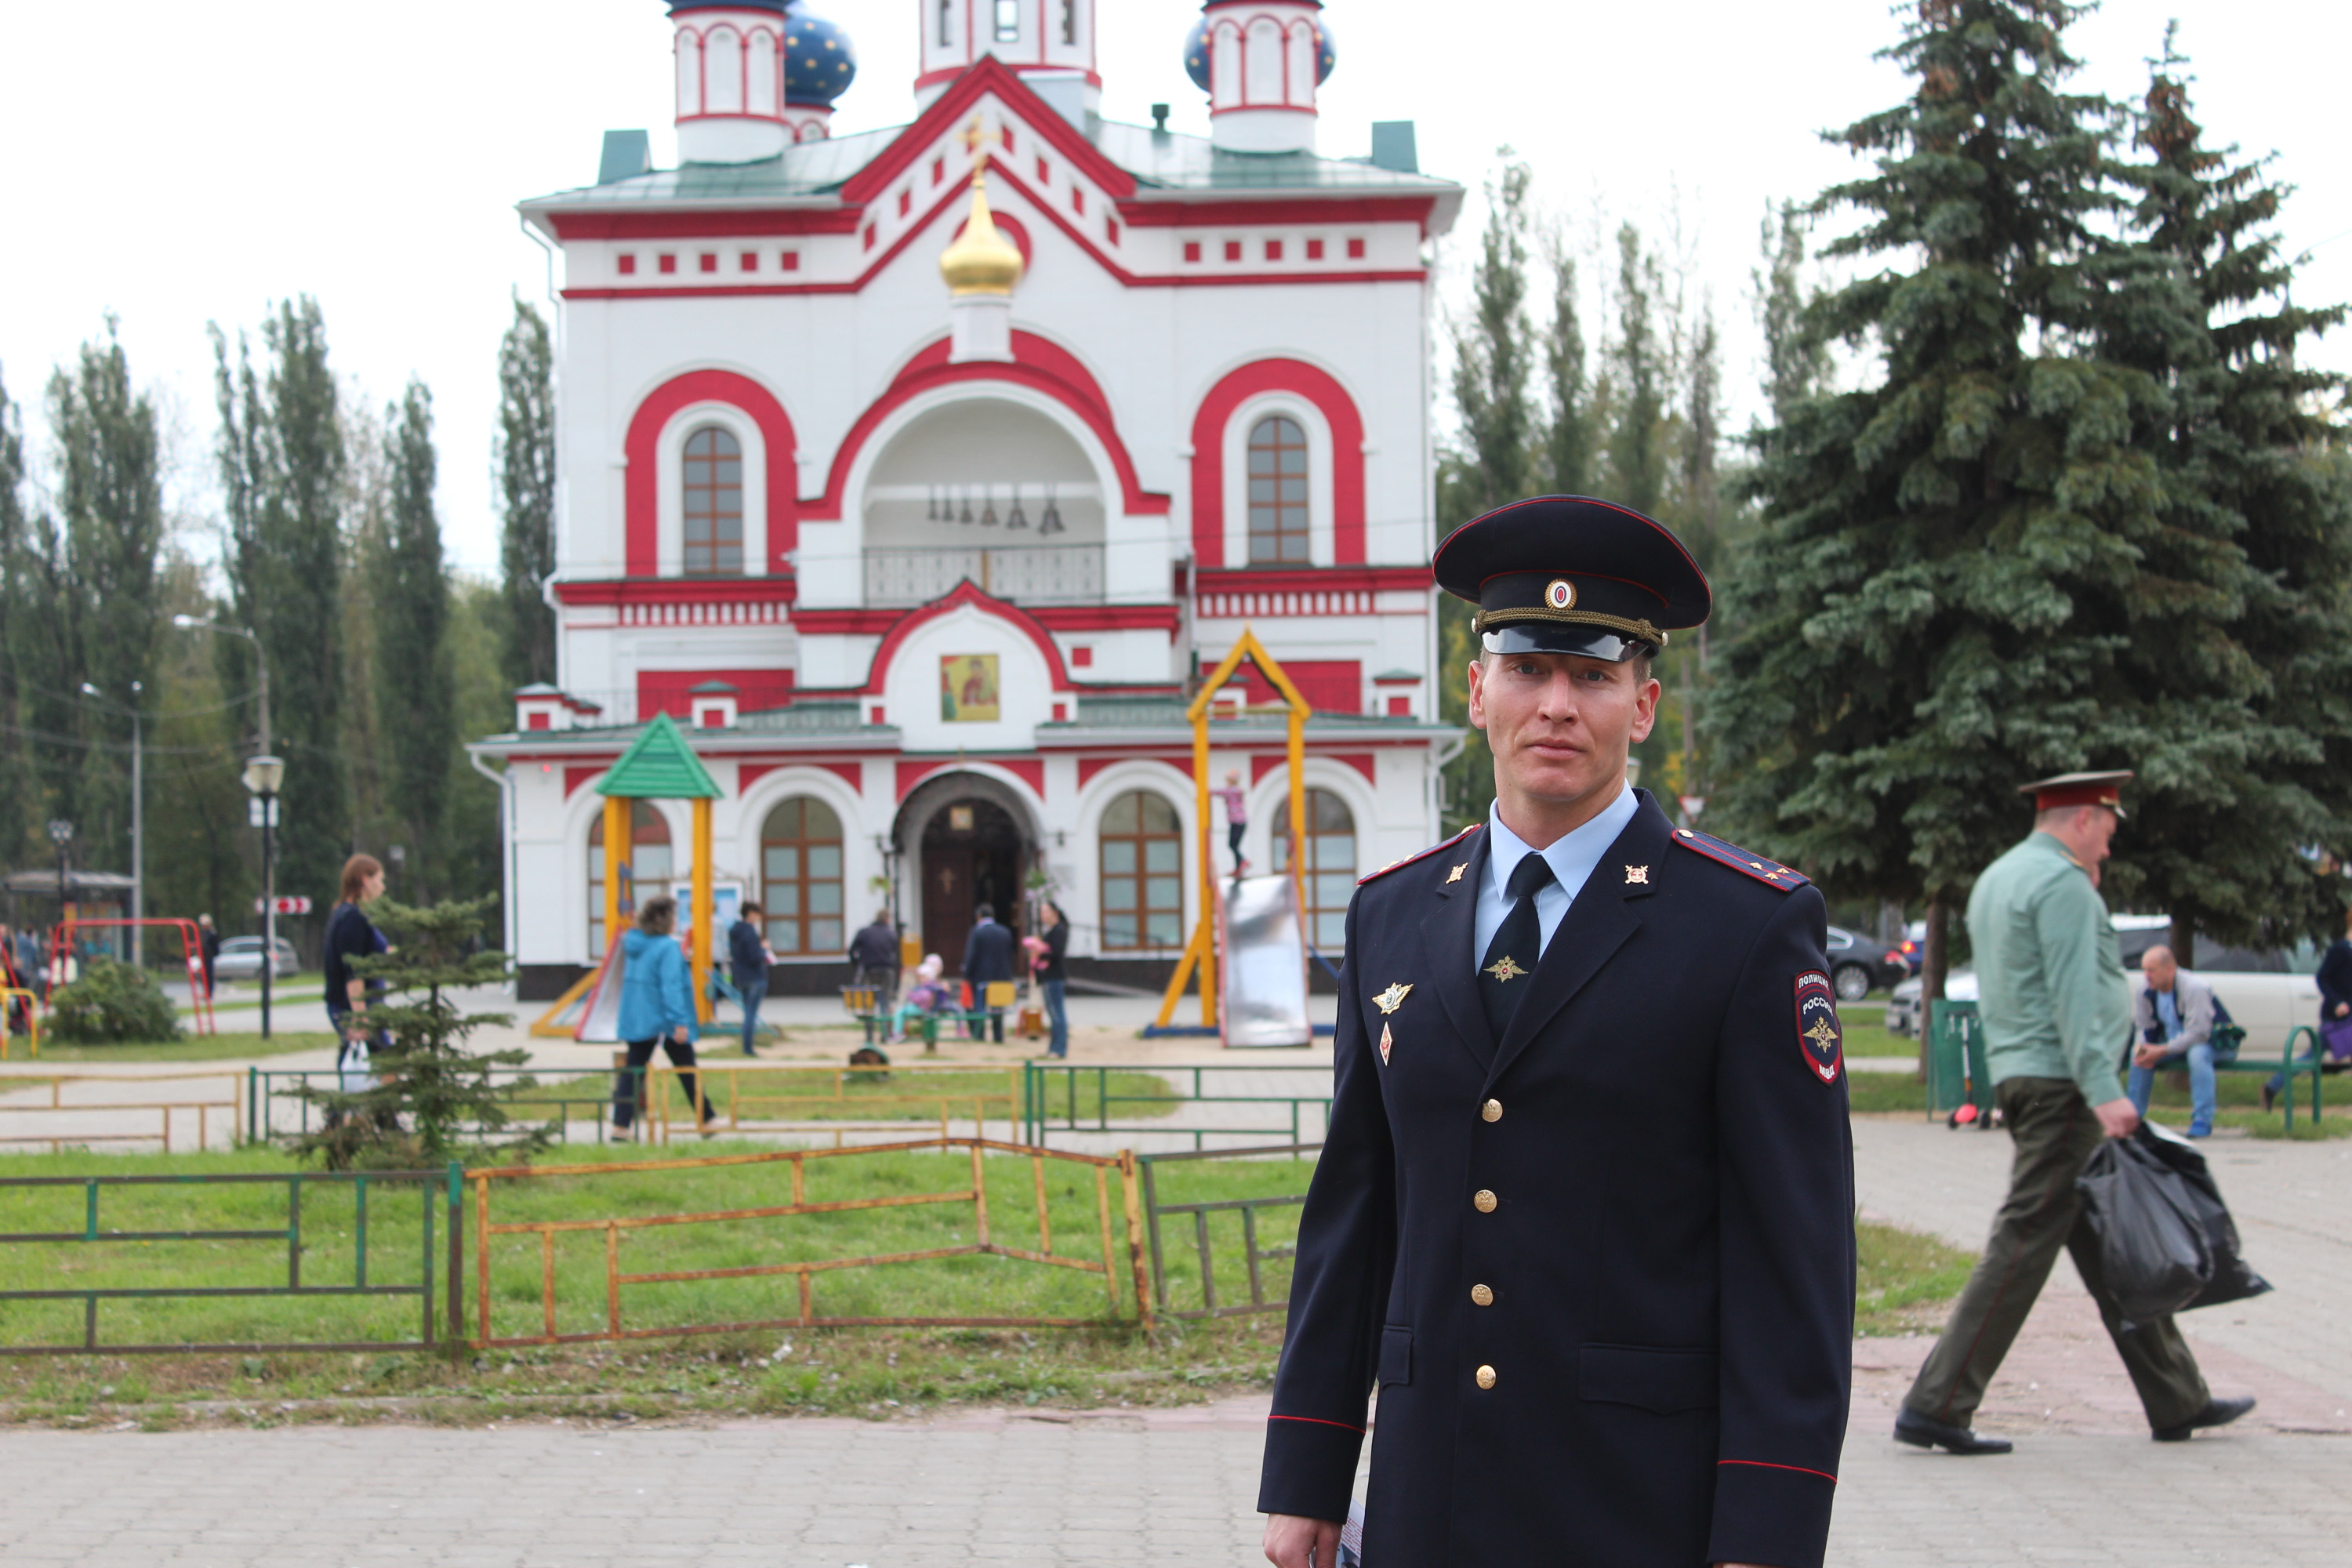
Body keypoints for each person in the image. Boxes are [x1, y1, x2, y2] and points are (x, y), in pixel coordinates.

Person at [1260, 496, 1853, 1568]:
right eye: (1528, 668)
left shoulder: (1746, 927)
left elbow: (1793, 1262)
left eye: (1593, 675)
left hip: (1637, 1503)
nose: (1557, 706)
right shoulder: (1390, 915)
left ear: (1644, 704)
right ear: (1476, 688)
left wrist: (1767, 1531)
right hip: (1428, 1497)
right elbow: (1355, 1216)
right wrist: (1307, 1469)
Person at [1896, 772, 2253, 1456]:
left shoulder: (2001, 876)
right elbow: (2073, 995)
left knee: (2110, 1241)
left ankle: (2177, 1397)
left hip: (2026, 1076)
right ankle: (1937, 1404)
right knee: (2024, 1240)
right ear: (2084, 819)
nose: (2109, 850)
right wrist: (2103, 1087)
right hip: (2063, 1087)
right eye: (2108, 832)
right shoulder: (2061, 884)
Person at [611, 895, 719, 1141]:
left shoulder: (633, 943)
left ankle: (620, 1126)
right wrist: (679, 1021)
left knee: (633, 1070)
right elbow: (671, 986)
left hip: (638, 1016)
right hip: (666, 1019)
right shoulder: (668, 947)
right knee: (686, 1068)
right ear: (666, 920)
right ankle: (707, 1120)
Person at [2129, 945, 2224, 1137]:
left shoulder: (2195, 987)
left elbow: (2199, 1033)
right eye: (2144, 970)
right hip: (2174, 1044)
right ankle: (2132, 1120)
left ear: (2170, 969)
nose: (2147, 976)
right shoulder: (2146, 991)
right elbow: (2143, 1027)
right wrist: (2142, 1049)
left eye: (2152, 970)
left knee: (2197, 1055)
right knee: (2139, 1056)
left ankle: (2202, 1120)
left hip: (2213, 1043)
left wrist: (2161, 1050)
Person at [323, 855, 393, 1105]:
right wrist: (360, 1016)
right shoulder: (353, 918)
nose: (382, 887)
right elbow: (353, 972)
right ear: (365, 880)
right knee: (382, 1066)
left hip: (361, 1004)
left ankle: (372, 1119)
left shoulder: (347, 914)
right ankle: (373, 1120)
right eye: (379, 880)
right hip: (355, 1005)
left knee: (369, 1069)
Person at [2268, 907, 2352, 1109]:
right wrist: (2337, 1002)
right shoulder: (2341, 949)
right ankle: (2272, 1087)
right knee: (2311, 1055)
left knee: (2312, 1054)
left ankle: (2272, 1087)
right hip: (2336, 1018)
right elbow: (2322, 977)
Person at [960, 902, 1015, 1044]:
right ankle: (998, 1036)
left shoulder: (977, 932)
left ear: (978, 917)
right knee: (998, 1007)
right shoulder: (1005, 932)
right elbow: (1009, 955)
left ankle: (979, 1035)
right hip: (1002, 976)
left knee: (978, 1007)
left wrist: (966, 975)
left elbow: (971, 956)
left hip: (981, 977)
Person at [728, 902, 770, 1058]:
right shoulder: (750, 932)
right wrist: (764, 949)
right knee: (751, 1014)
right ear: (751, 914)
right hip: (755, 977)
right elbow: (754, 957)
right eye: (758, 915)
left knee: (747, 1012)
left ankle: (746, 1046)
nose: (759, 918)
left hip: (741, 976)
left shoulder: (734, 931)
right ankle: (748, 1048)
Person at [888, 955, 951, 1044]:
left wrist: (911, 995)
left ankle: (897, 1033)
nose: (920, 979)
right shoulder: (932, 984)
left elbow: (924, 998)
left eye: (922, 977)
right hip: (926, 1008)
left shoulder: (928, 986)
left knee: (900, 1012)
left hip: (923, 1009)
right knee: (901, 1011)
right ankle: (898, 1033)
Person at [1035, 900, 1070, 1059]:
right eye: (1041, 912)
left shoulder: (1059, 930)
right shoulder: (1052, 931)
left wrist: (1040, 951)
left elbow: (1055, 953)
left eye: (1045, 911)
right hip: (1049, 976)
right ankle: (1053, 1047)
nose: (1043, 915)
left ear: (1054, 913)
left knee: (1057, 1013)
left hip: (1054, 976)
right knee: (1053, 1013)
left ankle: (1059, 1048)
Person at [848, 911, 900, 1014]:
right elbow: (896, 952)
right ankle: (884, 1020)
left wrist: (857, 964)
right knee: (886, 997)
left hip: (869, 969)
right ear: (887, 920)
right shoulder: (891, 934)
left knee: (868, 997)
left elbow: (852, 951)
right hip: (887, 969)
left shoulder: (864, 932)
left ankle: (869, 1022)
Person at [1212, 769, 1249, 877]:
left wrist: (1204, 792)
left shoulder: (1233, 790)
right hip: (1238, 822)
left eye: (1228, 780)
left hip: (1237, 821)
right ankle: (1238, 867)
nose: (1226, 782)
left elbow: (1219, 792)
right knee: (1234, 845)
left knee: (1232, 844)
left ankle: (1243, 861)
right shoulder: (1236, 790)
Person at [196, 913, 220, 999]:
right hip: (202, 957)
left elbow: (215, 946)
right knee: (202, 975)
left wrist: (214, 954)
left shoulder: (212, 933)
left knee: (208, 975)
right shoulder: (202, 933)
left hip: (208, 957)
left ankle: (209, 993)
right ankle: (205, 992)